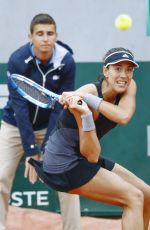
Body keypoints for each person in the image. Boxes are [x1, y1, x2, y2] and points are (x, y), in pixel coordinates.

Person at [29, 47, 150, 230]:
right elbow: (91, 155)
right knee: (134, 197)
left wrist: (86, 98)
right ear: (105, 71)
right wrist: (85, 113)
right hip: (62, 164)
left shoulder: (126, 85)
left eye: (129, 69)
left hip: (80, 156)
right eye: (117, 69)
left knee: (147, 195)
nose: (124, 75)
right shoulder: (86, 98)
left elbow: (124, 115)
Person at [0, 13, 81, 230]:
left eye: (50, 33)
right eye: (40, 34)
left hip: (51, 128)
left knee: (68, 181)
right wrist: (31, 151)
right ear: (31, 37)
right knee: (0, 176)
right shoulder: (18, 60)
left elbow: (60, 109)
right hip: (15, 126)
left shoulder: (66, 61)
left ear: (56, 36)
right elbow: (19, 108)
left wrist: (45, 146)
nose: (45, 38)